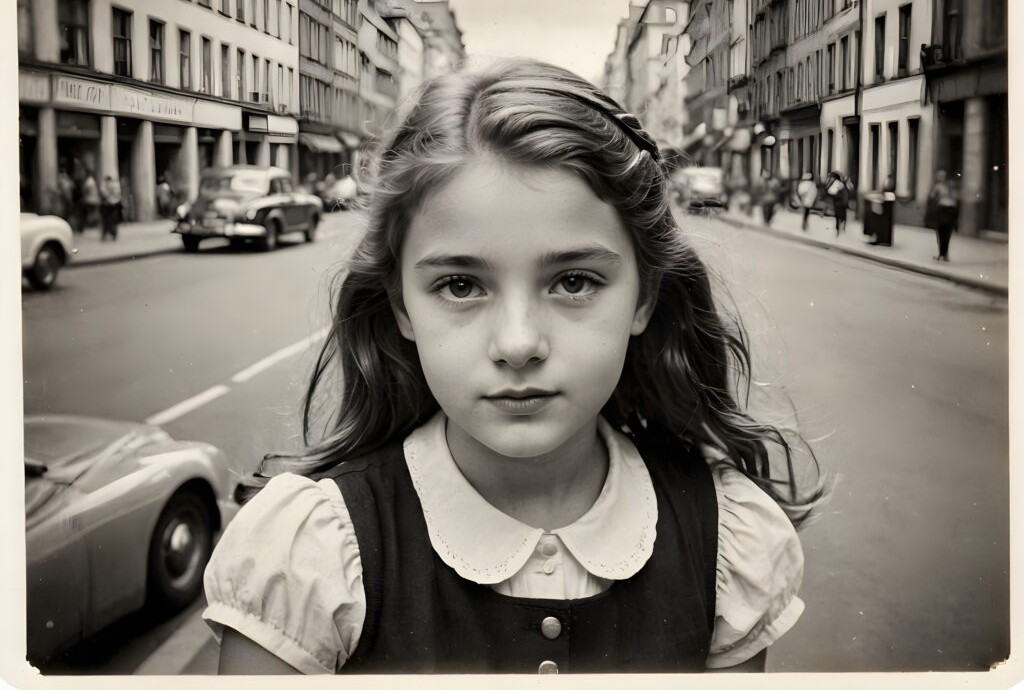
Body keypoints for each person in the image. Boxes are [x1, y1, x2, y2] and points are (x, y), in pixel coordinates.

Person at [203, 59, 825, 675]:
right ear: (401, 305)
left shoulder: (723, 539)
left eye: (574, 281)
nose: (519, 342)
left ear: (643, 296)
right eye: (460, 285)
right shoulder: (315, 556)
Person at [925, 170, 959, 262]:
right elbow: (932, 197)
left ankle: (943, 254)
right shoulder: (938, 186)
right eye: (939, 176)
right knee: (940, 233)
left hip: (949, 211)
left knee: (946, 233)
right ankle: (942, 254)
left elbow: (955, 198)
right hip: (942, 210)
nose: (940, 178)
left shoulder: (949, 186)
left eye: (942, 176)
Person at [826, 171, 851, 236]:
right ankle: (841, 229)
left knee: (838, 216)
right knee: (842, 216)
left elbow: (831, 191)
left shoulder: (837, 183)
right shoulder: (842, 184)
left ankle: (838, 230)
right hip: (842, 202)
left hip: (839, 202)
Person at [99, 174, 123, 240]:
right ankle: (113, 234)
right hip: (115, 204)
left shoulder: (104, 185)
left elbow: (103, 193)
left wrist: (108, 197)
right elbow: (118, 193)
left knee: (107, 221)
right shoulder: (116, 185)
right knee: (113, 220)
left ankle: (106, 235)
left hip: (107, 205)